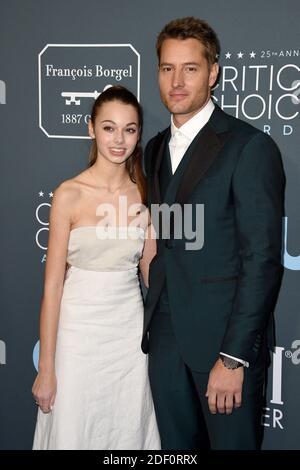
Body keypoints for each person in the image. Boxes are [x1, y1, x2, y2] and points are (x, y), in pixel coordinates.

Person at [142, 17, 285, 450]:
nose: (178, 81)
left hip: (224, 348)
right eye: (168, 69)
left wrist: (234, 357)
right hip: (165, 343)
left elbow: (261, 259)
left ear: (214, 72)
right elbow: (166, 240)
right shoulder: (152, 149)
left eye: (190, 68)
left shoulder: (249, 147)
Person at [32, 85, 160, 450]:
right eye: (109, 127)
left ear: (138, 134)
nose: (119, 140)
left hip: (128, 335)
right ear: (91, 129)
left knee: (126, 427)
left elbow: (152, 273)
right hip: (76, 333)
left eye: (130, 129)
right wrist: (46, 369)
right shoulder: (68, 194)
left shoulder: (145, 194)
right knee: (74, 426)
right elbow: (53, 286)